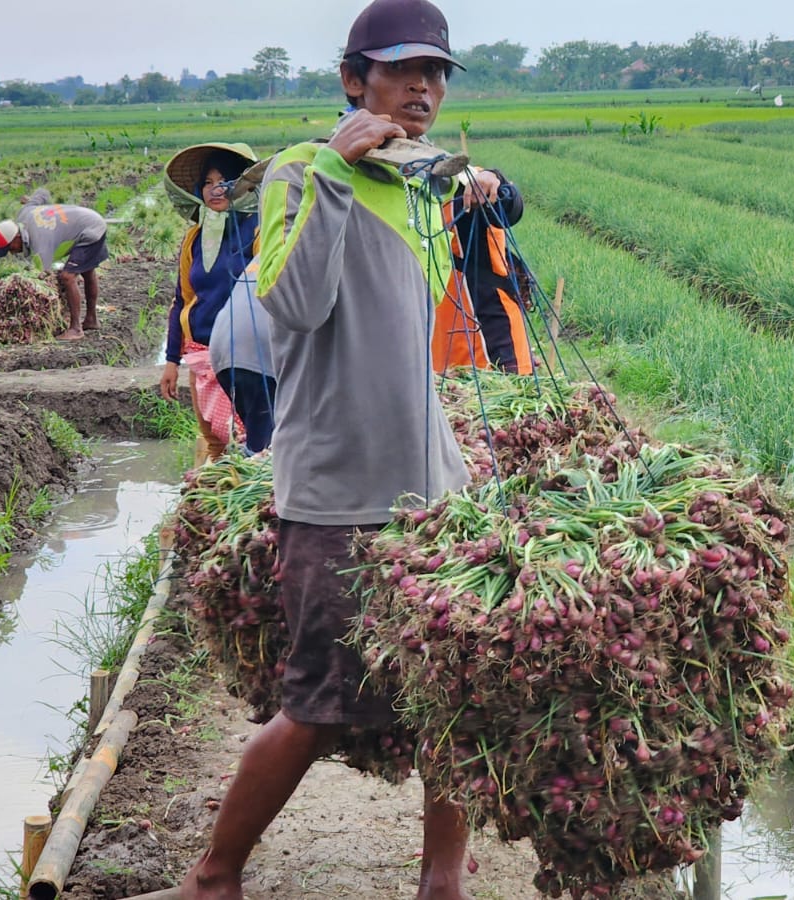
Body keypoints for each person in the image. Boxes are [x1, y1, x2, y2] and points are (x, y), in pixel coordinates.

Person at [180, 2, 503, 898]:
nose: (424, 89)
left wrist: (475, 190)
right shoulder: (297, 172)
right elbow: (294, 306)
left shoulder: (419, 182)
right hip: (337, 488)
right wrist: (333, 168)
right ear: (352, 79)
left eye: (437, 74)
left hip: (431, 483)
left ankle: (444, 881)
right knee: (319, 704)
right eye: (404, 71)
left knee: (451, 696)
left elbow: (421, 309)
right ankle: (214, 877)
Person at [156, 143, 261, 462]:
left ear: (242, 185)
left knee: (254, 442)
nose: (216, 189)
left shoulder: (256, 229)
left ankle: (250, 505)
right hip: (202, 356)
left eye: (224, 180)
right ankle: (211, 500)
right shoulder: (196, 238)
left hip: (245, 357)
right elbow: (182, 299)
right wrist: (172, 360)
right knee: (215, 441)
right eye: (207, 182)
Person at [434, 167, 535, 374]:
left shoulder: (465, 182)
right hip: (439, 342)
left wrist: (493, 179)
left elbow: (510, 205)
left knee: (509, 398)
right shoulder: (402, 193)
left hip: (493, 335)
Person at [0, 189, 108, 341]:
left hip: (90, 230)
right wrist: (36, 204)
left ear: (17, 237)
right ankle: (91, 320)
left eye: (10, 248)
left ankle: (76, 329)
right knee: (86, 270)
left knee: (67, 277)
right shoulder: (24, 213)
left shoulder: (40, 242)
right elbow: (43, 193)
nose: (12, 253)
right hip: (87, 219)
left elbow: (43, 278)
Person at [208, 257, 276, 455]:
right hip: (257, 349)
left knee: (261, 434)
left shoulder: (267, 251)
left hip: (222, 345)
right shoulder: (314, 249)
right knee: (265, 450)